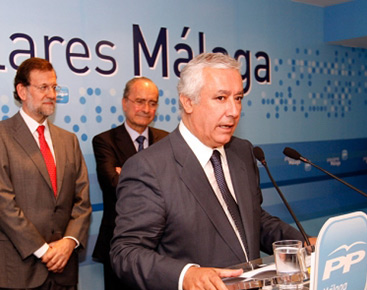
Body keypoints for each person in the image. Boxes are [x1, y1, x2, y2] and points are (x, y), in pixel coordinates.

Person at [110, 53, 305, 290]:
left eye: (238, 98)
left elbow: (254, 219)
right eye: (221, 98)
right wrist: (186, 275)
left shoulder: (242, 151)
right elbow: (126, 253)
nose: (234, 110)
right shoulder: (149, 167)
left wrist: (302, 242)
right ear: (188, 102)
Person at [0, 57, 91, 290]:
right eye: (43, 87)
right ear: (22, 91)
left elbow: (82, 201)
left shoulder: (68, 140)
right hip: (20, 270)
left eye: (54, 87)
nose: (51, 94)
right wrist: (44, 251)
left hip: (64, 269)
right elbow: (1, 204)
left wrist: (69, 243)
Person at [91, 76, 168, 290]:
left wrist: (126, 173)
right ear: (125, 103)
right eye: (139, 101)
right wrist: (157, 180)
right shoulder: (104, 141)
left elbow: (175, 187)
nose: (146, 108)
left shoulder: (167, 140)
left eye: (152, 103)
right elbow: (114, 186)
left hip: (162, 246)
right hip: (119, 245)